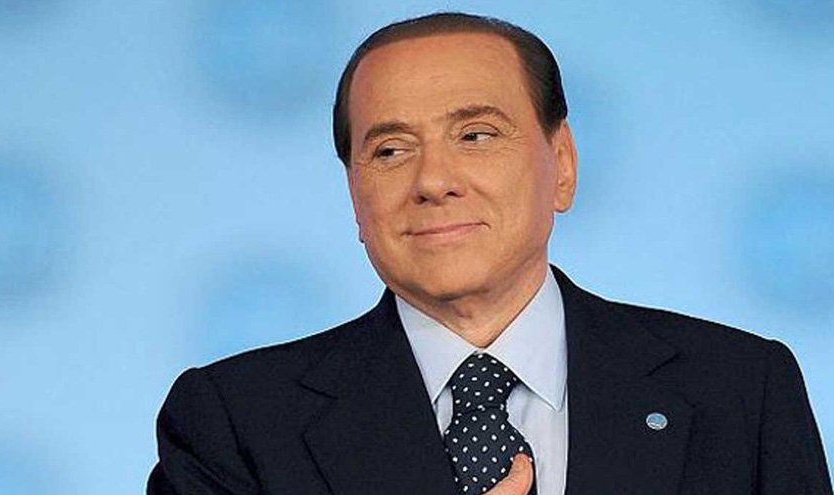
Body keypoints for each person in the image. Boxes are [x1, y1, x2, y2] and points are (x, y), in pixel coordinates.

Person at [146, 12, 832, 495]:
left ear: (562, 164)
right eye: (390, 150)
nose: (433, 181)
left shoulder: (739, 389)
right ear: (355, 192)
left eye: (475, 135)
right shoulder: (235, 421)